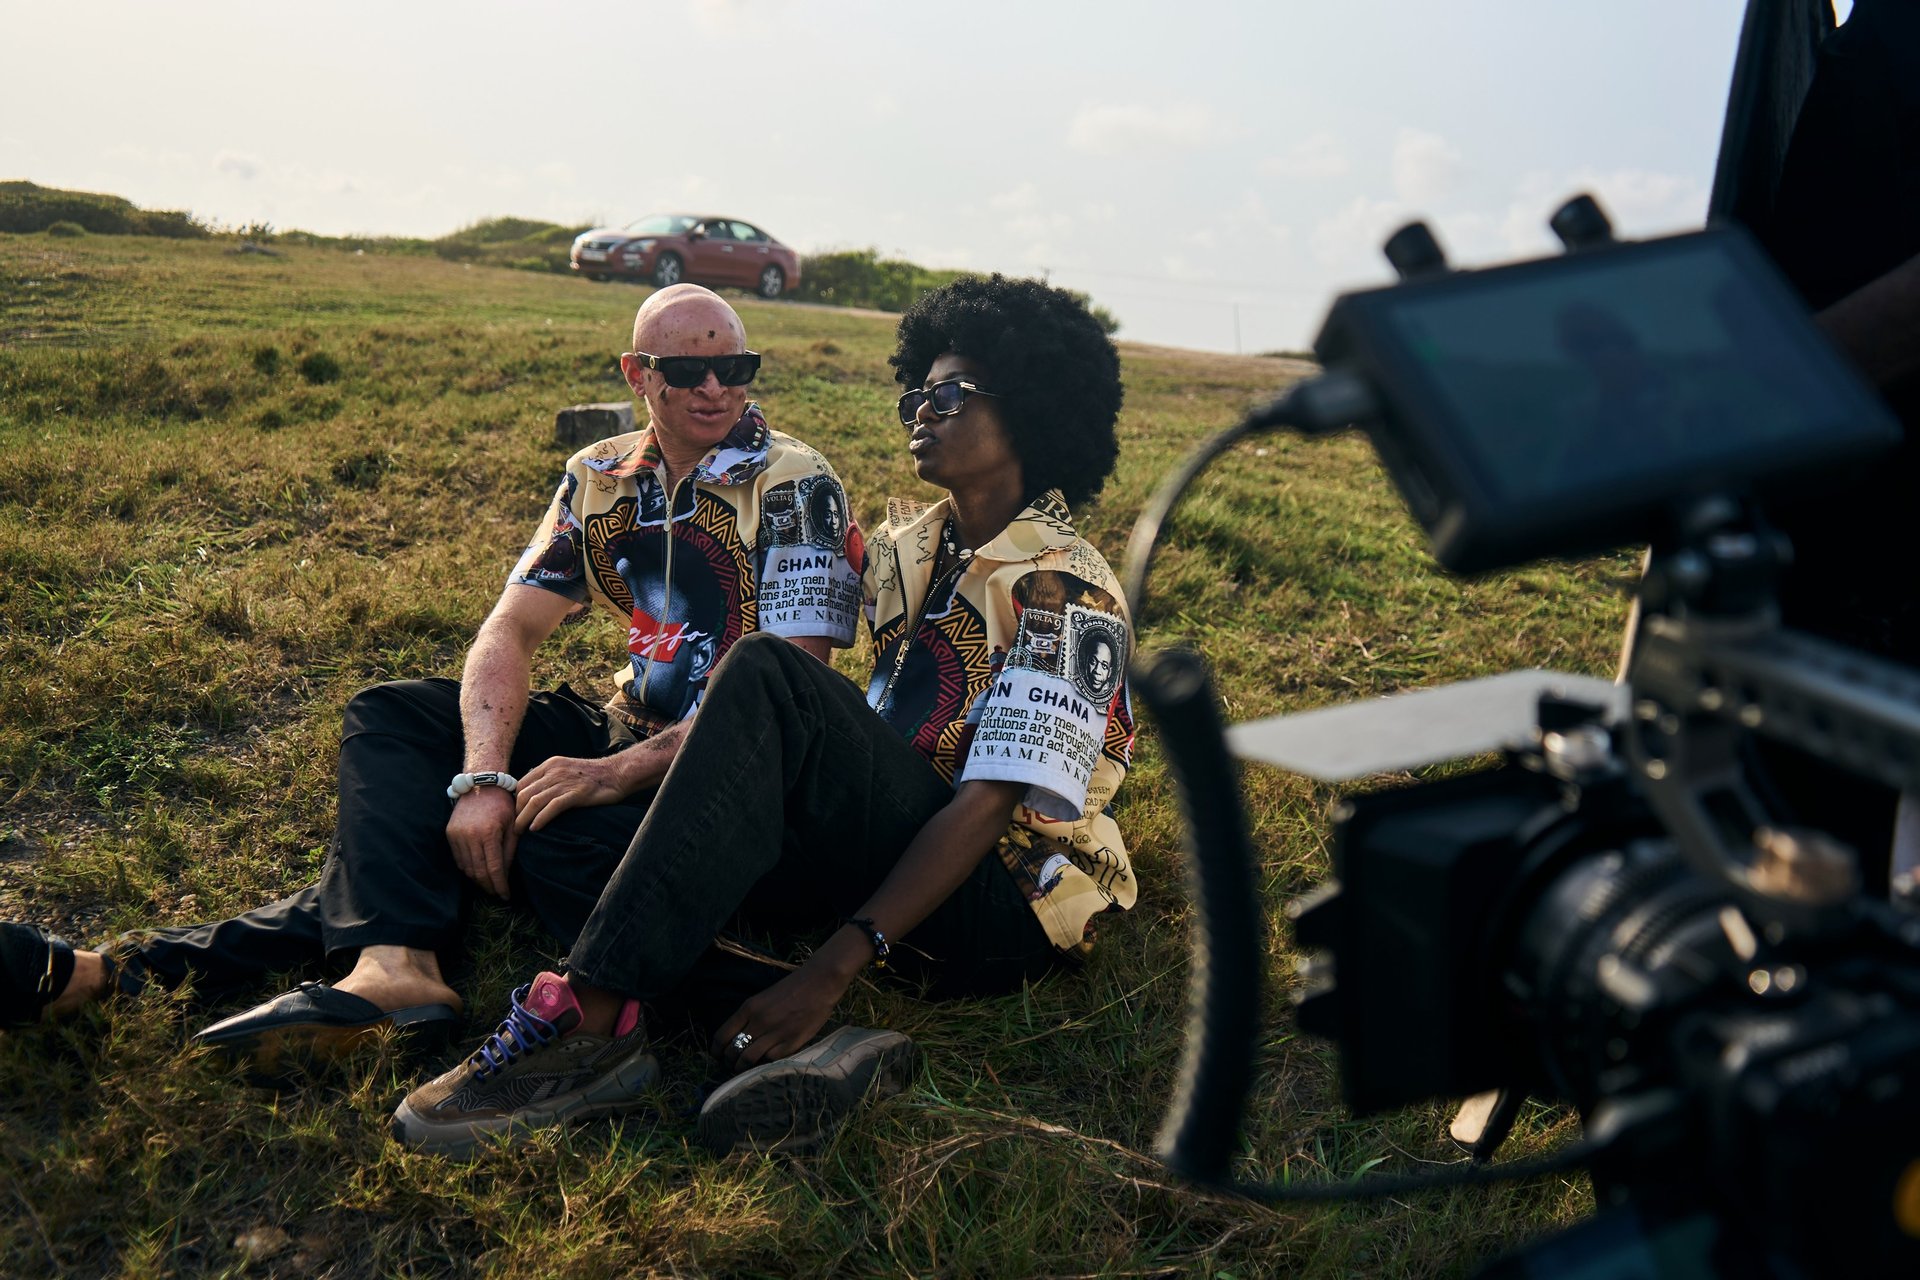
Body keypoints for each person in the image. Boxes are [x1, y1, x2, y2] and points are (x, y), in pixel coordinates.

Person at [0, 285, 863, 1056]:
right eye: (687, 369)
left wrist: (607, 776)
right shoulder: (599, 475)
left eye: (736, 368)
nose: (716, 389)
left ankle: (116, 974)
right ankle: (393, 965)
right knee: (394, 717)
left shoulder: (795, 482)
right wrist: (483, 778)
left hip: (729, 770)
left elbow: (786, 686)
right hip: (622, 724)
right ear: (638, 373)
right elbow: (509, 630)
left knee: (508, 842)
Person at [387, 274, 1138, 1157]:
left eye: (947, 396)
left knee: (766, 670)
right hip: (883, 842)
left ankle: (589, 1019)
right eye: (915, 395)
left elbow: (985, 806)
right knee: (560, 839)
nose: (918, 414)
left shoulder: (1067, 587)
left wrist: (833, 967)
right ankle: (804, 1033)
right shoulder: (913, 543)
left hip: (1001, 900)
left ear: (1036, 409)